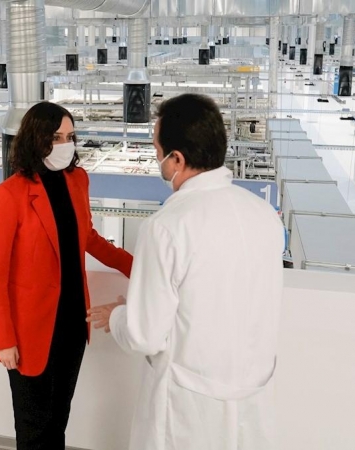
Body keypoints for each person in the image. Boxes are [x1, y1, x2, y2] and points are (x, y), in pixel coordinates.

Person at [88, 94, 285, 450]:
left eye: (157, 150)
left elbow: (145, 336)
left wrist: (119, 314)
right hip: (253, 396)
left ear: (176, 159)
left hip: (187, 408)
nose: (157, 161)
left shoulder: (166, 227)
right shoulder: (264, 216)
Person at [0, 101, 133, 449]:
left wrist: (136, 266)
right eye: (56, 137)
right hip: (29, 330)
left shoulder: (78, 180)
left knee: (58, 419)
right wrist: (4, 337)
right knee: (33, 426)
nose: (66, 144)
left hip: (71, 323)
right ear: (37, 139)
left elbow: (88, 237)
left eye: (70, 136)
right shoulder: (9, 195)